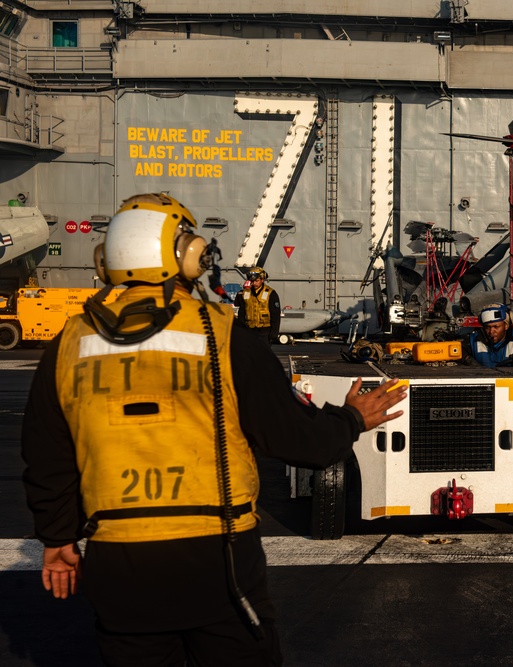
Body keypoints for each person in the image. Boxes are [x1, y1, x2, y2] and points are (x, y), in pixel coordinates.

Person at [20, 193, 407, 666]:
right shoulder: (222, 334)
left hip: (117, 562)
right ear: (190, 255)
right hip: (215, 559)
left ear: (107, 260)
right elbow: (298, 441)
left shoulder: (69, 345)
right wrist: (351, 418)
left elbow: (47, 458)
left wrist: (57, 540)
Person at [463, 302, 513, 368]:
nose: (491, 331)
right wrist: (468, 359)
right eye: (487, 327)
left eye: (496, 327)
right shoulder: (474, 339)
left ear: (506, 326)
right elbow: (458, 349)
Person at [235, 266, 281, 343]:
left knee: (263, 354)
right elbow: (241, 311)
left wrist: (274, 333)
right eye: (252, 281)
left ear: (262, 280)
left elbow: (275, 314)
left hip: (265, 330)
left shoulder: (271, 293)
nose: (254, 283)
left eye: (257, 281)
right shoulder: (244, 293)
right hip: (249, 329)